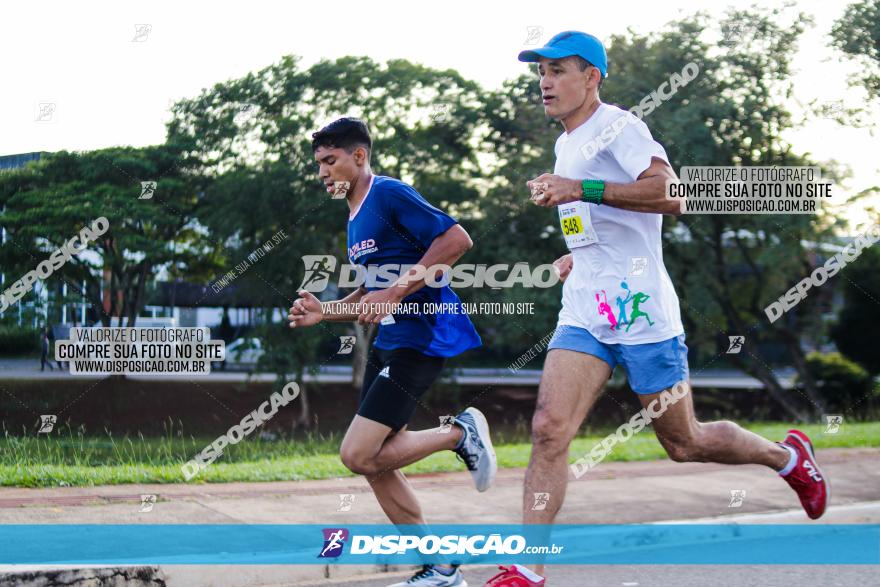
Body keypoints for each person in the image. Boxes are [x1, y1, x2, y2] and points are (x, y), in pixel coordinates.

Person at [480, 31, 829, 587]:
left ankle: (787, 457)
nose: (544, 82)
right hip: (585, 310)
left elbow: (669, 193)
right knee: (549, 428)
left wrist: (580, 188)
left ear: (591, 77)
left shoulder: (620, 126)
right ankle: (528, 568)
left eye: (558, 70)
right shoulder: (565, 143)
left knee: (683, 442)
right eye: (540, 72)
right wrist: (576, 253)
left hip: (641, 313)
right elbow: (597, 217)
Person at [288, 117, 496, 587]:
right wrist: (325, 312)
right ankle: (439, 567)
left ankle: (457, 434)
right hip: (390, 343)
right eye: (318, 164)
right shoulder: (355, 213)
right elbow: (370, 293)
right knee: (377, 464)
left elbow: (457, 239)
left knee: (358, 454)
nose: (322, 172)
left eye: (330, 160)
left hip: (420, 338)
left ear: (358, 156)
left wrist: (398, 292)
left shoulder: (387, 193)